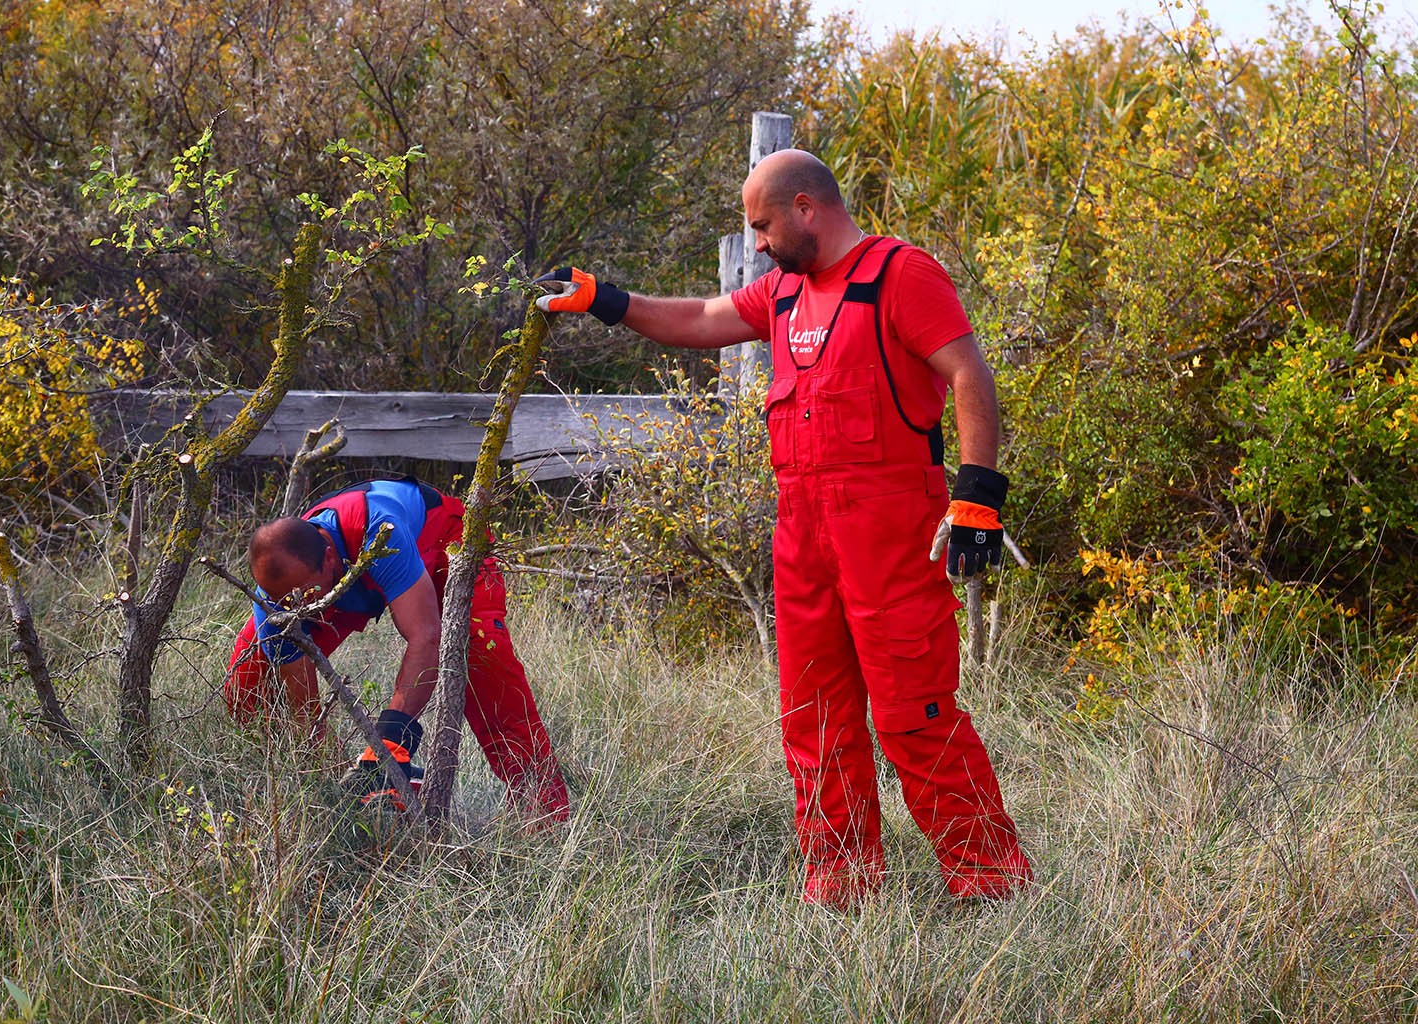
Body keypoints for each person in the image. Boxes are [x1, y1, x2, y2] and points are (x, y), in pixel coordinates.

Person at [534, 149, 1030, 905]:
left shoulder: (901, 274)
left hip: (890, 536)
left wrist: (978, 499)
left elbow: (969, 373)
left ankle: (990, 880)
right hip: (802, 541)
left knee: (913, 716)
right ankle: (842, 882)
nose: (757, 243)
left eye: (763, 226)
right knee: (814, 716)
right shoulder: (783, 293)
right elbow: (701, 318)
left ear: (807, 208)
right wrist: (608, 300)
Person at [224, 477, 569, 823]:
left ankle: (543, 811)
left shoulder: (379, 528)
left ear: (329, 558)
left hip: (439, 543)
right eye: (286, 602)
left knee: (481, 652)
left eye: (306, 596)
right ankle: (345, 805)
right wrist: (337, 790)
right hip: (348, 579)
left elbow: (427, 637)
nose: (298, 608)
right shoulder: (274, 602)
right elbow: (305, 714)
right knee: (248, 683)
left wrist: (390, 743)